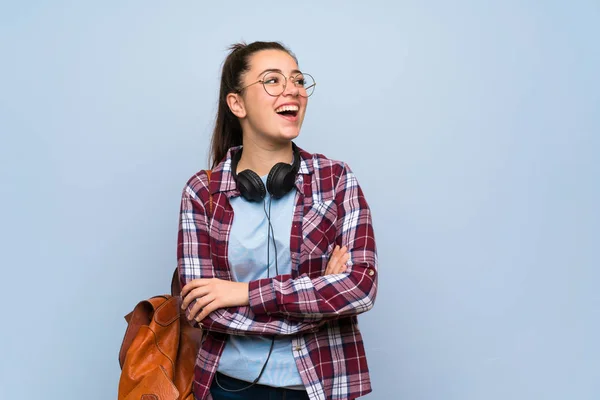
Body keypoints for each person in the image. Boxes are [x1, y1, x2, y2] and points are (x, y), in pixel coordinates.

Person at [177, 41, 378, 400]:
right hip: (227, 387)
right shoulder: (201, 192)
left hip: (317, 384)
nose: (292, 90)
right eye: (272, 80)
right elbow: (204, 312)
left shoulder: (336, 180)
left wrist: (241, 293)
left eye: (298, 80)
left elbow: (359, 289)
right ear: (237, 104)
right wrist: (318, 301)